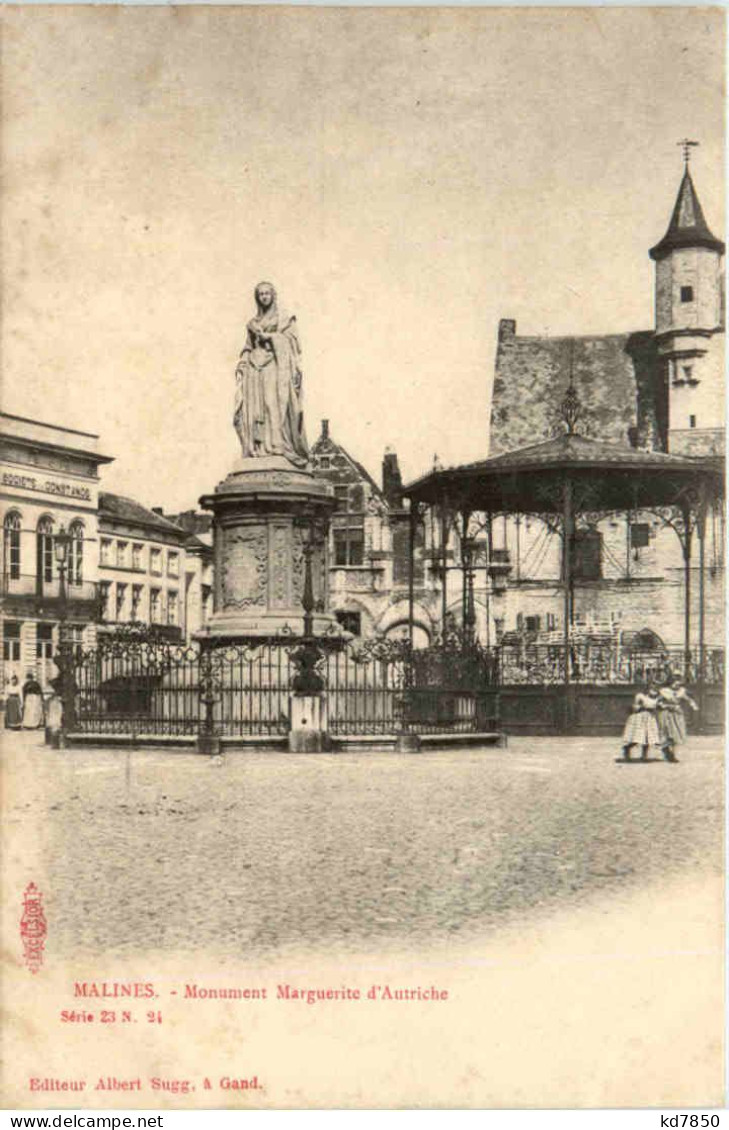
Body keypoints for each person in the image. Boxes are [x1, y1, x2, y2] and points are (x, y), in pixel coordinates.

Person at [233, 281, 309, 467]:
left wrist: (272, 338)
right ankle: (258, 449)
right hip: (254, 368)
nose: (264, 297)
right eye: (261, 294)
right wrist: (243, 360)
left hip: (274, 365)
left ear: (273, 295)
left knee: (272, 403)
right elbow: (248, 346)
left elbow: (293, 343)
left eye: (267, 293)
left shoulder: (283, 318)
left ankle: (277, 444)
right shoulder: (253, 323)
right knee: (255, 407)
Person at [657, 676, 697, 762]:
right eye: (675, 683)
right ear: (670, 683)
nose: (677, 685)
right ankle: (666, 749)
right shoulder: (664, 691)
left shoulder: (681, 691)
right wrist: (665, 706)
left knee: (676, 733)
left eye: (679, 684)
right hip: (666, 713)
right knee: (667, 732)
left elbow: (688, 699)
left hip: (677, 714)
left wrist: (693, 704)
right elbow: (658, 702)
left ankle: (673, 754)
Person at [620, 683, 660, 761]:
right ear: (647, 689)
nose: (653, 690)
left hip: (650, 718)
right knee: (637, 737)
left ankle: (644, 756)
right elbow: (635, 707)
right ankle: (627, 749)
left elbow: (657, 707)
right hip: (640, 717)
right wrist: (641, 707)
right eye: (651, 688)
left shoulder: (656, 698)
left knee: (648, 737)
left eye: (654, 688)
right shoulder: (640, 696)